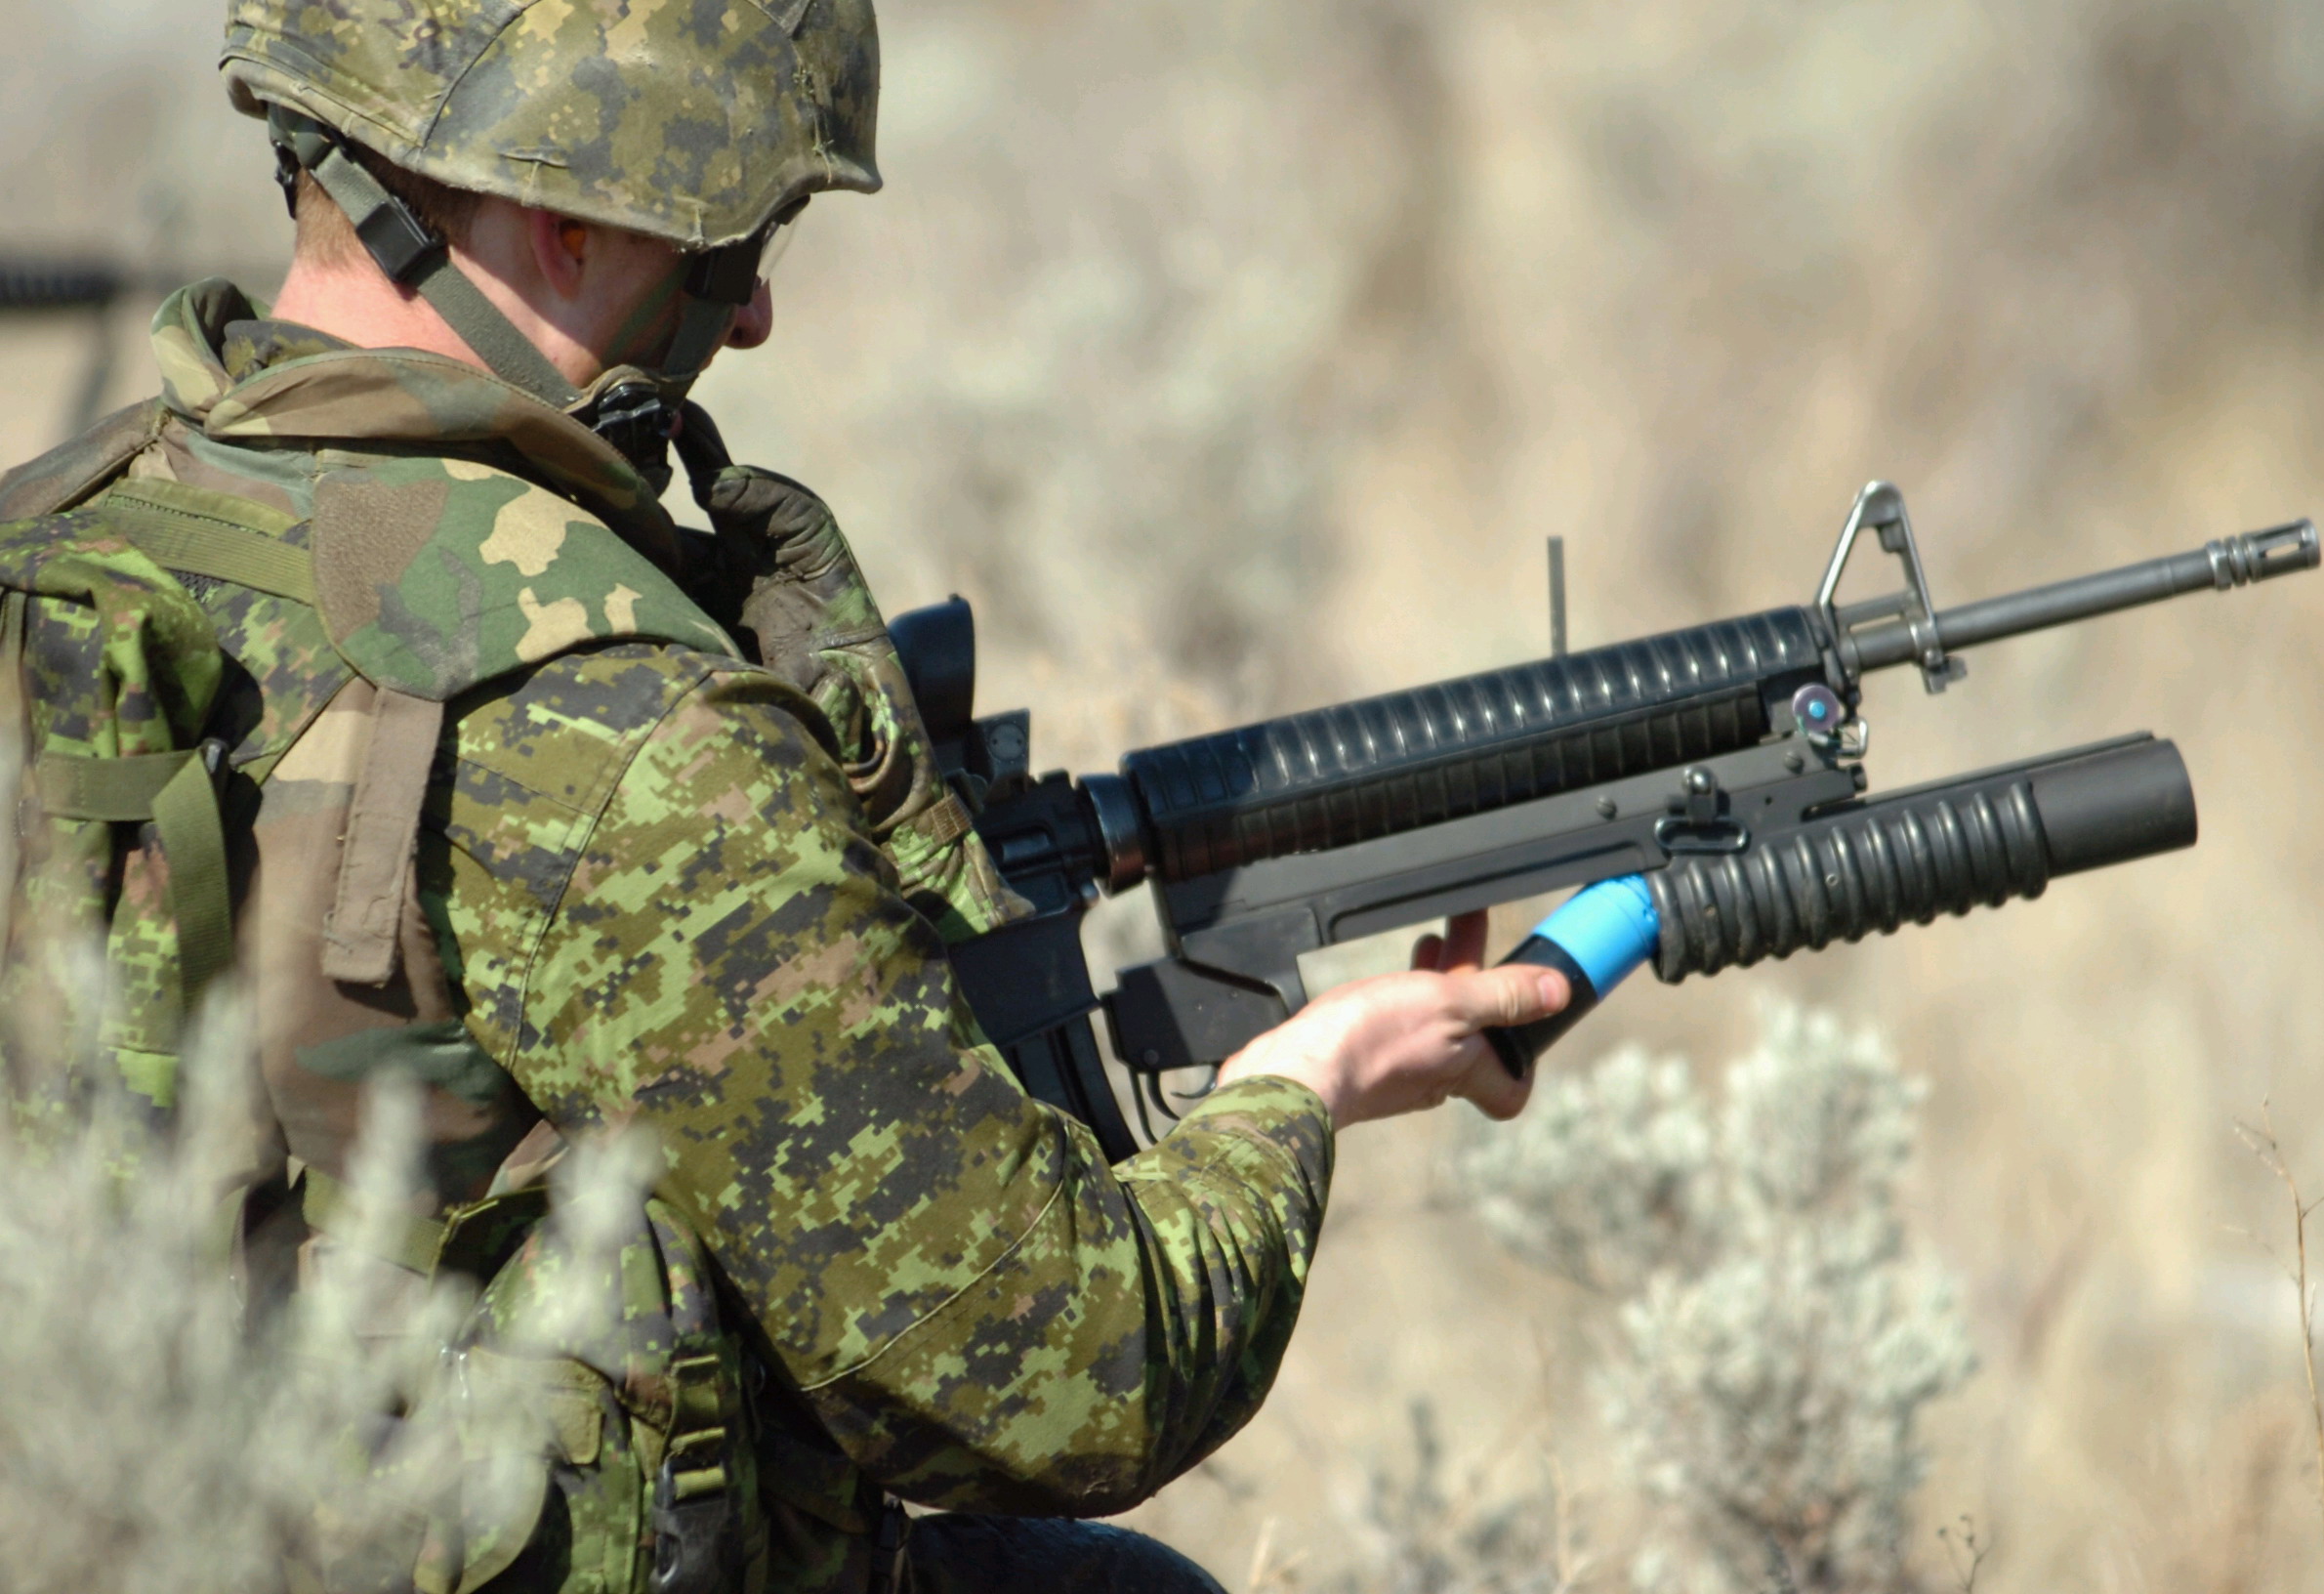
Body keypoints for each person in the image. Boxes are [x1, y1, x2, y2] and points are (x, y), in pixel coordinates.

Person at [0, 2, 1569, 1589]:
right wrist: (1310, 1081)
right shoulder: (608, 714)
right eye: (732, 247)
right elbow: (1069, 1375)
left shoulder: (67, 543)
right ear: (565, 221)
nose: (749, 317)